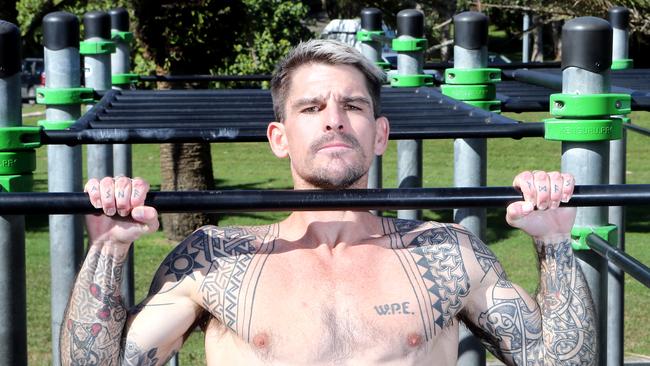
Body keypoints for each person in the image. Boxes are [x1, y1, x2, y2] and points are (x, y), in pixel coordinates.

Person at [60, 39, 596, 365]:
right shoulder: (214, 258)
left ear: (380, 133)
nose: (334, 118)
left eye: (353, 105)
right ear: (279, 137)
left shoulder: (447, 253)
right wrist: (107, 251)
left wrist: (554, 243)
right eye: (312, 106)